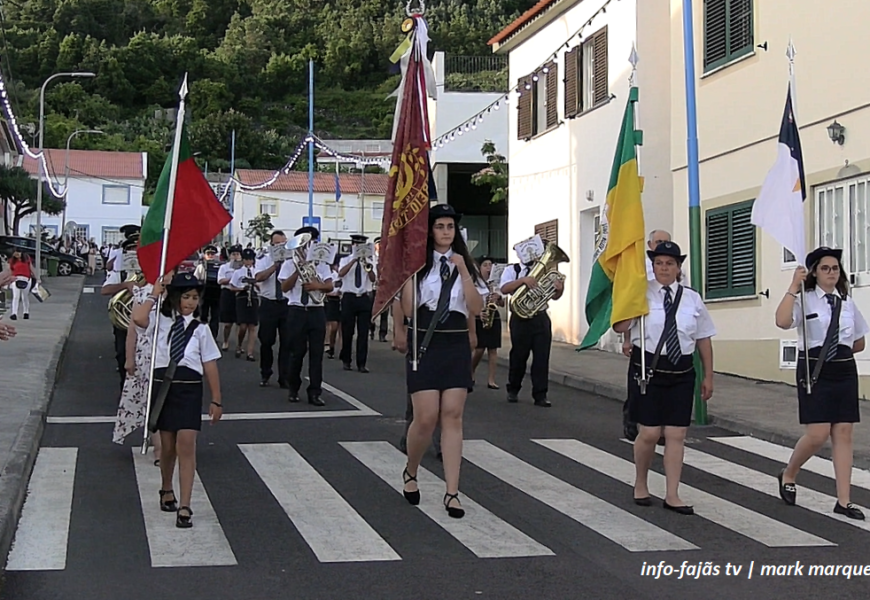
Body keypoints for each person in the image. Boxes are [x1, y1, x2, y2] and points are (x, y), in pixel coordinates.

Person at [612, 241, 715, 515]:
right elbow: (620, 326)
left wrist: (709, 376)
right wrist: (630, 307)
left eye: (670, 263)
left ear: (678, 267)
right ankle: (641, 482)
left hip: (681, 369)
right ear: (653, 266)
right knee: (649, 432)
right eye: (659, 263)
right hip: (648, 368)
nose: (664, 268)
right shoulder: (641, 294)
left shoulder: (692, 298)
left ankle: (672, 494)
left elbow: (703, 338)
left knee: (676, 433)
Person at [398, 204, 485, 520]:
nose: (446, 232)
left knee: (453, 415)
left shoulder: (467, 266)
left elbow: (475, 307)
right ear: (430, 231)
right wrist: (408, 273)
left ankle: (452, 492)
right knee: (425, 418)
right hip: (425, 342)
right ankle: (411, 470)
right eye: (440, 226)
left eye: (450, 226)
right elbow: (409, 310)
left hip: (455, 342)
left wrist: (463, 270)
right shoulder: (420, 268)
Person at [775, 247, 868, 520]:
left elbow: (859, 341)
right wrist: (793, 285)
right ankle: (789, 473)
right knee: (817, 434)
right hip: (813, 369)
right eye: (825, 268)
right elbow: (781, 321)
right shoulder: (804, 299)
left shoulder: (846, 301)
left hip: (843, 371)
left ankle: (844, 499)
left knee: (843, 434)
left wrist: (838, 353)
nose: (831, 273)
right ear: (815, 271)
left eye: (835, 268)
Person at [131, 272, 223, 529]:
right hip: (165, 387)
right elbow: (138, 318)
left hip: (190, 389)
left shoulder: (202, 329)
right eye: (185, 297)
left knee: (187, 443)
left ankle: (185, 504)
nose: (191, 302)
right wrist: (154, 293)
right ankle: (166, 488)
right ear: (174, 297)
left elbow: (210, 364)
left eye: (195, 297)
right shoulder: (159, 321)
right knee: (168, 446)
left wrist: (216, 399)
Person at [112, 265, 170, 463]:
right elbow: (132, 329)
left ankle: (172, 444)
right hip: (147, 357)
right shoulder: (144, 294)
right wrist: (130, 359)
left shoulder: (182, 296)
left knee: (171, 402)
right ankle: (159, 448)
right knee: (153, 401)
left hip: (173, 355)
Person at [499, 238, 566, 407]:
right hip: (520, 318)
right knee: (519, 356)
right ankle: (513, 389)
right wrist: (523, 280)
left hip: (540, 317)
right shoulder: (511, 270)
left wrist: (559, 289)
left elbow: (555, 296)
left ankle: (540, 395)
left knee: (542, 357)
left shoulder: (547, 271)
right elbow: (504, 288)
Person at [623, 229, 672, 443]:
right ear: (650, 245)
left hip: (669, 344)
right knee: (639, 388)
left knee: (663, 392)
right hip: (644, 340)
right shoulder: (639, 270)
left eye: (666, 242)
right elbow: (628, 308)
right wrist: (625, 340)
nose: (662, 245)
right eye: (659, 242)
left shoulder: (677, 272)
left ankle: (660, 428)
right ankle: (633, 423)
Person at [278, 226, 334, 406]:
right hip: (296, 311)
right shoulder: (288, 263)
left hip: (316, 310)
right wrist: (298, 270)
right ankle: (293, 389)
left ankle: (315, 393)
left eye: (311, 242)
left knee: (317, 355)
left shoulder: (321, 265)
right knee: (297, 353)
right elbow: (284, 288)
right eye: (305, 243)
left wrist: (317, 286)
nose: (308, 246)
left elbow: (330, 286)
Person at [101, 228, 141, 390]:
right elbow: (104, 290)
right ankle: (126, 388)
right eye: (131, 249)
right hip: (124, 322)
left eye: (137, 248)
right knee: (123, 354)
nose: (134, 252)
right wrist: (125, 285)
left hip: (147, 321)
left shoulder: (151, 271)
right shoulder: (120, 271)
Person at [254, 231, 291, 387]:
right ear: (271, 245)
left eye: (283, 243)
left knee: (287, 342)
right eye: (277, 244)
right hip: (269, 303)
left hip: (286, 303)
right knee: (267, 341)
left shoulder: (291, 259)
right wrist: (275, 266)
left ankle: (284, 376)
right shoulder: (263, 258)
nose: (280, 246)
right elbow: (258, 277)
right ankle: (266, 372)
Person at [338, 234, 377, 373]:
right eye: (357, 245)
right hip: (349, 297)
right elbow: (341, 274)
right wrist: (354, 260)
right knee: (347, 331)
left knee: (363, 333)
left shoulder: (370, 261)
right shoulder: (345, 259)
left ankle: (362, 363)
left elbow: (373, 279)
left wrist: (368, 265)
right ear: (353, 245)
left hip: (364, 298)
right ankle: (346, 360)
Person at [472, 257, 504, 389]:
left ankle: (491, 380)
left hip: (493, 315)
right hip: (479, 315)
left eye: (490, 265)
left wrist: (498, 297)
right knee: (479, 349)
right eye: (485, 265)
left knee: (493, 349)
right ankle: (471, 371)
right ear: (479, 268)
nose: (488, 268)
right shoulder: (475, 283)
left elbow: (502, 304)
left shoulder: (496, 283)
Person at [228, 248, 259, 361]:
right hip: (242, 298)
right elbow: (232, 287)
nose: (248, 262)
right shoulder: (238, 272)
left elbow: (262, 286)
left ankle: (250, 352)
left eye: (250, 259)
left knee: (252, 326)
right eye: (246, 259)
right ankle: (239, 345)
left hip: (254, 298)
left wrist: (254, 284)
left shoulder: (257, 271)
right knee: (242, 326)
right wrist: (242, 288)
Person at [217, 245, 242, 352]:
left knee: (240, 322)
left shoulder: (243, 268)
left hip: (240, 293)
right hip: (227, 293)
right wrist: (232, 279)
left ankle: (239, 345)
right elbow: (220, 281)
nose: (235, 257)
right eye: (233, 254)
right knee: (227, 323)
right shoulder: (224, 267)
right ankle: (226, 340)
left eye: (237, 254)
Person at [194, 245, 222, 338]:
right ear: (205, 255)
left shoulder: (220, 266)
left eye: (212, 254)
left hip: (217, 294)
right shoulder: (201, 266)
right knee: (203, 316)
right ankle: (202, 335)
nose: (210, 256)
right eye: (208, 254)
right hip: (204, 294)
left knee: (215, 316)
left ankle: (213, 337)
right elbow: (196, 279)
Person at [370, 236, 390, 343]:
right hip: (373, 288)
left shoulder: (387, 258)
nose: (380, 246)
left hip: (384, 289)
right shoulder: (371, 258)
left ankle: (383, 333)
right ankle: (371, 329)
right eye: (378, 244)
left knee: (384, 313)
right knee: (371, 311)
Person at [7, 249, 35, 321]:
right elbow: (10, 271)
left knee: (24, 296)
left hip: (26, 279)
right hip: (16, 279)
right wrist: (10, 278)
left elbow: (31, 268)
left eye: (18, 254)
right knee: (16, 296)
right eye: (15, 254)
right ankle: (14, 313)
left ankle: (26, 312)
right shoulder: (12, 261)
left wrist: (37, 278)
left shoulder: (27, 259)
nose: (17, 255)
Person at [324, 256, 343, 359]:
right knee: (333, 326)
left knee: (342, 327)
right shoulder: (327, 274)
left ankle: (342, 349)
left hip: (340, 300)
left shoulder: (338, 275)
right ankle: (330, 345)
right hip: (330, 300)